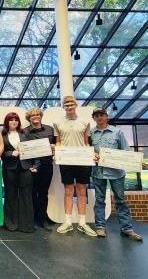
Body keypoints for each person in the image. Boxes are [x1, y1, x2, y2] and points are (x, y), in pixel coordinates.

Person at [91, 107, 142, 241]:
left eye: (102, 115)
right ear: (94, 118)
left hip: (117, 173)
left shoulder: (117, 132)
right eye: (96, 116)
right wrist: (93, 155)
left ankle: (127, 229)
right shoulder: (91, 134)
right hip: (98, 172)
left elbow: (125, 151)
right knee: (99, 200)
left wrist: (136, 162)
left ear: (106, 117)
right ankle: (100, 227)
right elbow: (87, 151)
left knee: (120, 200)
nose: (99, 117)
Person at [53, 96, 96, 237]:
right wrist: (57, 152)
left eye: (71, 104)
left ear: (76, 105)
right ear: (63, 107)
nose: (69, 106)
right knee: (68, 191)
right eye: (66, 104)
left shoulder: (85, 122)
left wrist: (91, 153)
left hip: (82, 161)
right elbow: (58, 142)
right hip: (66, 161)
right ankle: (68, 222)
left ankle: (83, 223)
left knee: (82, 191)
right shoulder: (57, 123)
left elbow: (86, 142)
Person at [1, 112, 38, 233]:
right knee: (10, 196)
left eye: (15, 120)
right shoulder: (2, 134)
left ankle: (26, 225)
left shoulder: (25, 133)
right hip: (9, 169)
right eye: (11, 120)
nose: (13, 122)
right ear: (7, 122)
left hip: (25, 168)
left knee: (26, 196)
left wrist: (35, 165)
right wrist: (10, 153)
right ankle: (11, 224)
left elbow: (33, 149)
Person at [24, 107, 56, 230]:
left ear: (41, 116)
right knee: (32, 193)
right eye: (32, 115)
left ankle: (43, 217)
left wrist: (54, 146)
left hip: (47, 165)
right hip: (32, 167)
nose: (35, 117)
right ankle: (34, 218)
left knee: (44, 193)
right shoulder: (25, 132)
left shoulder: (50, 129)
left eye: (37, 114)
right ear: (29, 118)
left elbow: (57, 144)